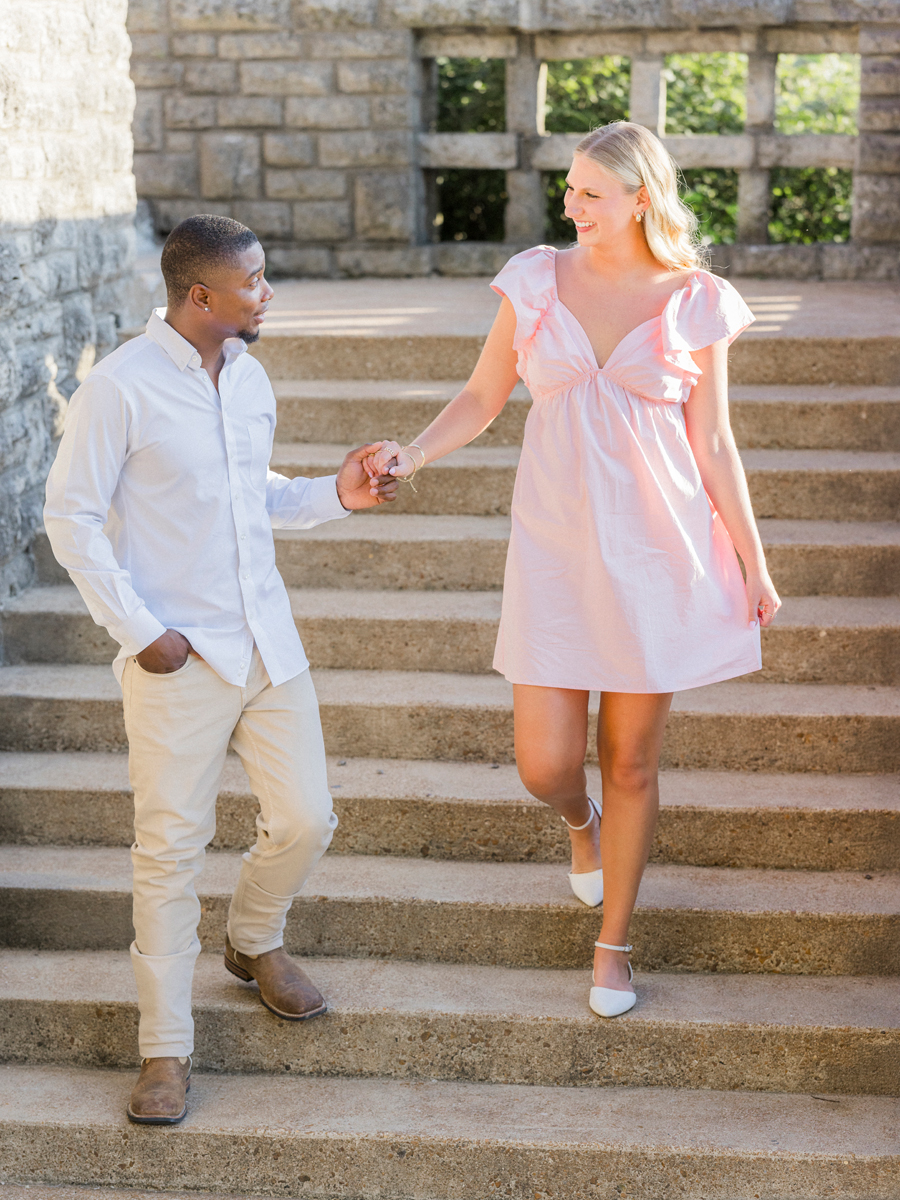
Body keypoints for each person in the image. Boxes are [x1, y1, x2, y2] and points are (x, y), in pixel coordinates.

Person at [368, 122, 780, 1019]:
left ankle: (615, 946)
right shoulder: (534, 280)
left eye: (592, 193)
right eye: (570, 190)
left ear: (642, 198)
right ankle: (578, 824)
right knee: (545, 764)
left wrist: (752, 559)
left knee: (631, 761)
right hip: (554, 552)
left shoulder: (697, 300)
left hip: (656, 556)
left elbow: (713, 440)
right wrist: (414, 453)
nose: (571, 206)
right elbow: (483, 395)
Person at [43, 215, 398, 1123]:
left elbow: (258, 496)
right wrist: (139, 630)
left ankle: (252, 940)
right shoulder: (118, 388)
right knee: (167, 856)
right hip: (179, 657)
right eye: (254, 281)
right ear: (200, 295)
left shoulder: (248, 377)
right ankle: (165, 1051)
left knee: (308, 819)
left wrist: (338, 494)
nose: (267, 292)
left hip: (268, 646)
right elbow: (71, 519)